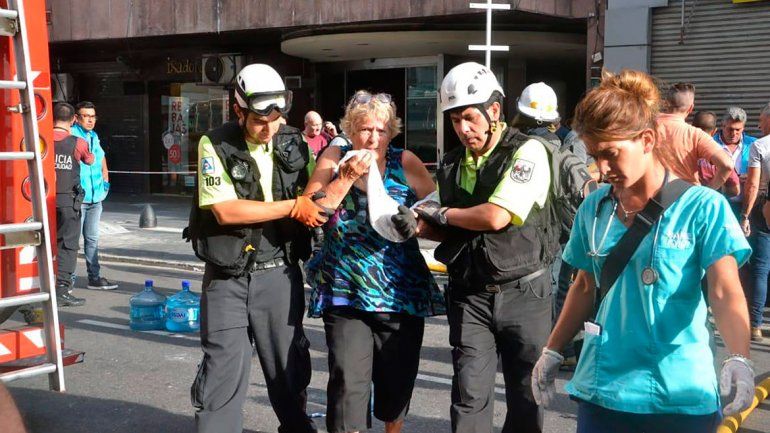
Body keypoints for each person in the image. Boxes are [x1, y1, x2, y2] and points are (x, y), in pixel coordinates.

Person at [532, 69, 755, 433]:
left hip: (680, 393)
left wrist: (740, 357)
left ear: (647, 139)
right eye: (593, 155)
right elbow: (585, 286)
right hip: (604, 390)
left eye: (611, 154)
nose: (602, 169)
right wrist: (552, 350)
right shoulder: (595, 209)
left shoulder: (703, 208)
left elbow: (724, 290)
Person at [186, 63, 326, 433]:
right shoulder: (213, 143)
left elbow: (318, 194)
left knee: (289, 370)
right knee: (222, 374)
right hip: (227, 276)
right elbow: (225, 210)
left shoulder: (294, 140)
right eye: (260, 121)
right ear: (239, 110)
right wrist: (293, 206)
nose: (270, 129)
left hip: (279, 272)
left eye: (277, 119)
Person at [419, 62, 555, 433]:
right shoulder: (450, 163)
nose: (463, 129)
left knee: (527, 398)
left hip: (524, 291)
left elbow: (496, 217)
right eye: (454, 120)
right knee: (468, 398)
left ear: (494, 110)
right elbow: (453, 228)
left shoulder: (527, 152)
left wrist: (441, 213)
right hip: (470, 293)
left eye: (469, 117)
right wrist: (417, 224)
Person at [304, 90, 445, 433]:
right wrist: (347, 176)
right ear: (350, 130)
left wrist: (418, 224)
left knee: (395, 389)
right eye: (366, 129)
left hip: (400, 294)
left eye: (382, 130)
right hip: (346, 290)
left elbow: (440, 217)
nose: (373, 137)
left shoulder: (406, 162)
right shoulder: (333, 158)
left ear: (392, 132)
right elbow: (310, 211)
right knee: (346, 385)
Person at [71, 101, 117, 290]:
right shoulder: (71, 136)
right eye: (86, 116)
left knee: (92, 239)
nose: (90, 120)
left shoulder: (94, 136)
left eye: (93, 116)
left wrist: (105, 180)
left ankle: (94, 278)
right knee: (72, 241)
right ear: (76, 118)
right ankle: (68, 281)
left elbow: (101, 157)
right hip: (78, 197)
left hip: (95, 197)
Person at [53, 102, 94, 307]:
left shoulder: (39, 140)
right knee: (68, 246)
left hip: (43, 202)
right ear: (73, 120)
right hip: (68, 202)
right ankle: (61, 289)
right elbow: (89, 160)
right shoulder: (78, 142)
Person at [657, 82, 733, 188]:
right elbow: (727, 165)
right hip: (686, 197)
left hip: (648, 198)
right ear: (691, 108)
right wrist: (707, 193)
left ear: (665, 103)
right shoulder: (694, 135)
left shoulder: (644, 127)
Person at [738, 102, 770, 341]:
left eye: (761, 120)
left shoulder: (760, 146)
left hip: (765, 208)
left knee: (760, 267)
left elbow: (753, 184)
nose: (759, 124)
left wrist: (746, 214)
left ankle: (756, 324)